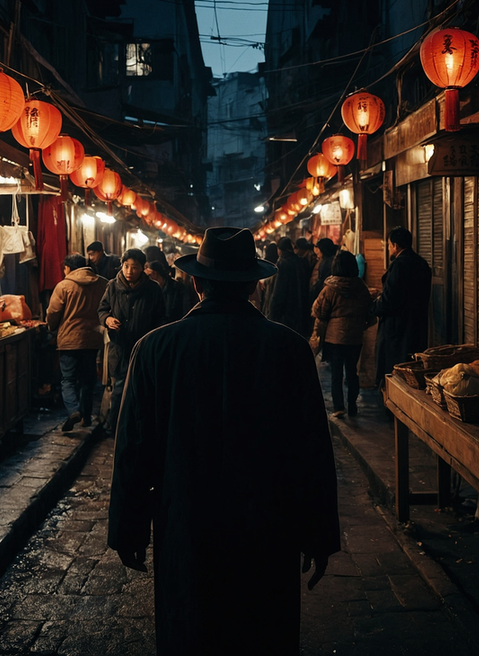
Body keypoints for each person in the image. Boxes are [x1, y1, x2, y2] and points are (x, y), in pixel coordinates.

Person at [108, 227, 340, 656]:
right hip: (268, 529)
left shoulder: (155, 349)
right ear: (254, 285)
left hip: (186, 525)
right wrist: (320, 532)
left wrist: (128, 527)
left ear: (196, 283)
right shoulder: (289, 350)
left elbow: (134, 449)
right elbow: (312, 450)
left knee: (190, 632)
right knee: (263, 633)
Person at [97, 248, 166, 436]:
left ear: (142, 268)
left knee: (141, 390)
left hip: (143, 349)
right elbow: (102, 310)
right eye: (126, 266)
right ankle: (116, 427)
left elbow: (161, 318)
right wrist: (108, 320)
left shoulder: (153, 289)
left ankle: (139, 428)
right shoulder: (112, 286)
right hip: (119, 347)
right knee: (119, 389)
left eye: (134, 267)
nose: (129, 271)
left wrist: (153, 338)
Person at [46, 253, 108, 431]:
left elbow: (53, 313)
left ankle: (74, 410)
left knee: (68, 380)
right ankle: (86, 417)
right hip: (92, 339)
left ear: (68, 268)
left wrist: (51, 327)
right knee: (88, 379)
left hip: (69, 340)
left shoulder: (64, 286)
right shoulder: (102, 283)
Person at [312, 250, 374, 417]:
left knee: (336, 373)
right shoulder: (361, 287)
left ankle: (339, 407)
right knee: (352, 372)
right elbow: (370, 312)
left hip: (334, 338)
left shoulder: (330, 288)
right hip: (355, 338)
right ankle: (353, 405)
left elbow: (319, 311)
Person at [372, 226, 432, 389]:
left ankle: (392, 409)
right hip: (417, 325)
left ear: (396, 246)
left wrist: (374, 305)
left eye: (390, 245)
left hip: (397, 329)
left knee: (394, 372)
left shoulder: (399, 265)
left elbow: (389, 300)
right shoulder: (421, 263)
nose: (389, 248)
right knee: (412, 372)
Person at [268, 236, 310, 336]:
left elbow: (279, 291)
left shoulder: (282, 263)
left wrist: (273, 313)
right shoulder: (302, 261)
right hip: (301, 310)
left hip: (285, 312)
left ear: (280, 250)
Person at [310, 237, 339, 304]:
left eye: (318, 248)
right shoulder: (328, 260)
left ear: (323, 249)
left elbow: (323, 280)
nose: (316, 251)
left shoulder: (327, 262)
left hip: (326, 295)